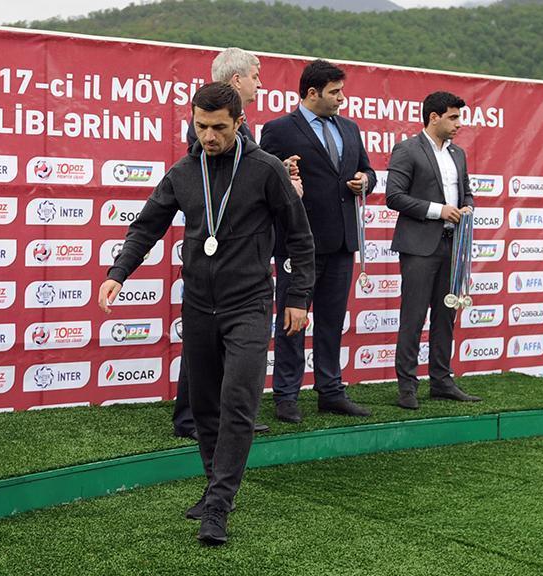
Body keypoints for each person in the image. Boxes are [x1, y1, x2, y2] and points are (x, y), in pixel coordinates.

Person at [98, 83, 315, 545]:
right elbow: (147, 226)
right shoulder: (183, 171)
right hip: (198, 304)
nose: (209, 136)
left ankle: (218, 504)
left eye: (219, 127)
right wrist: (119, 272)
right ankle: (216, 485)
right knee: (204, 406)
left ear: (239, 122)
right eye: (201, 126)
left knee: (238, 400)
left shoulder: (266, 169)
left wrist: (298, 296)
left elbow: (299, 237)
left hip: (249, 303)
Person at [174, 47, 298, 439]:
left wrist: (279, 180)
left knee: (217, 354)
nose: (260, 84)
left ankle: (216, 416)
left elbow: (248, 178)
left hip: (239, 269)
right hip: (214, 259)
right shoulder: (209, 128)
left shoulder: (247, 138)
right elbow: (215, 183)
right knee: (203, 353)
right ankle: (196, 417)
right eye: (255, 76)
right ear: (236, 80)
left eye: (217, 129)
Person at [260, 59, 376, 423]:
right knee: (292, 322)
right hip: (299, 244)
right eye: (335, 92)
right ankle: (286, 395)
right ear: (312, 93)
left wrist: (365, 181)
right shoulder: (279, 129)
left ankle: (331, 391)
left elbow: (368, 170)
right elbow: (264, 178)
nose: (342, 98)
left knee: (331, 322)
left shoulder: (350, 128)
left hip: (341, 242)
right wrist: (284, 171)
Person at [385, 90, 483, 410]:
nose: (459, 124)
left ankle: (441, 381)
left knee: (445, 317)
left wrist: (467, 207)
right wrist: (438, 211)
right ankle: (407, 387)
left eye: (459, 117)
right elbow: (394, 196)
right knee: (413, 318)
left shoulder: (458, 154)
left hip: (452, 246)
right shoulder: (407, 149)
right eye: (453, 117)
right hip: (419, 246)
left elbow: (466, 192)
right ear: (434, 117)